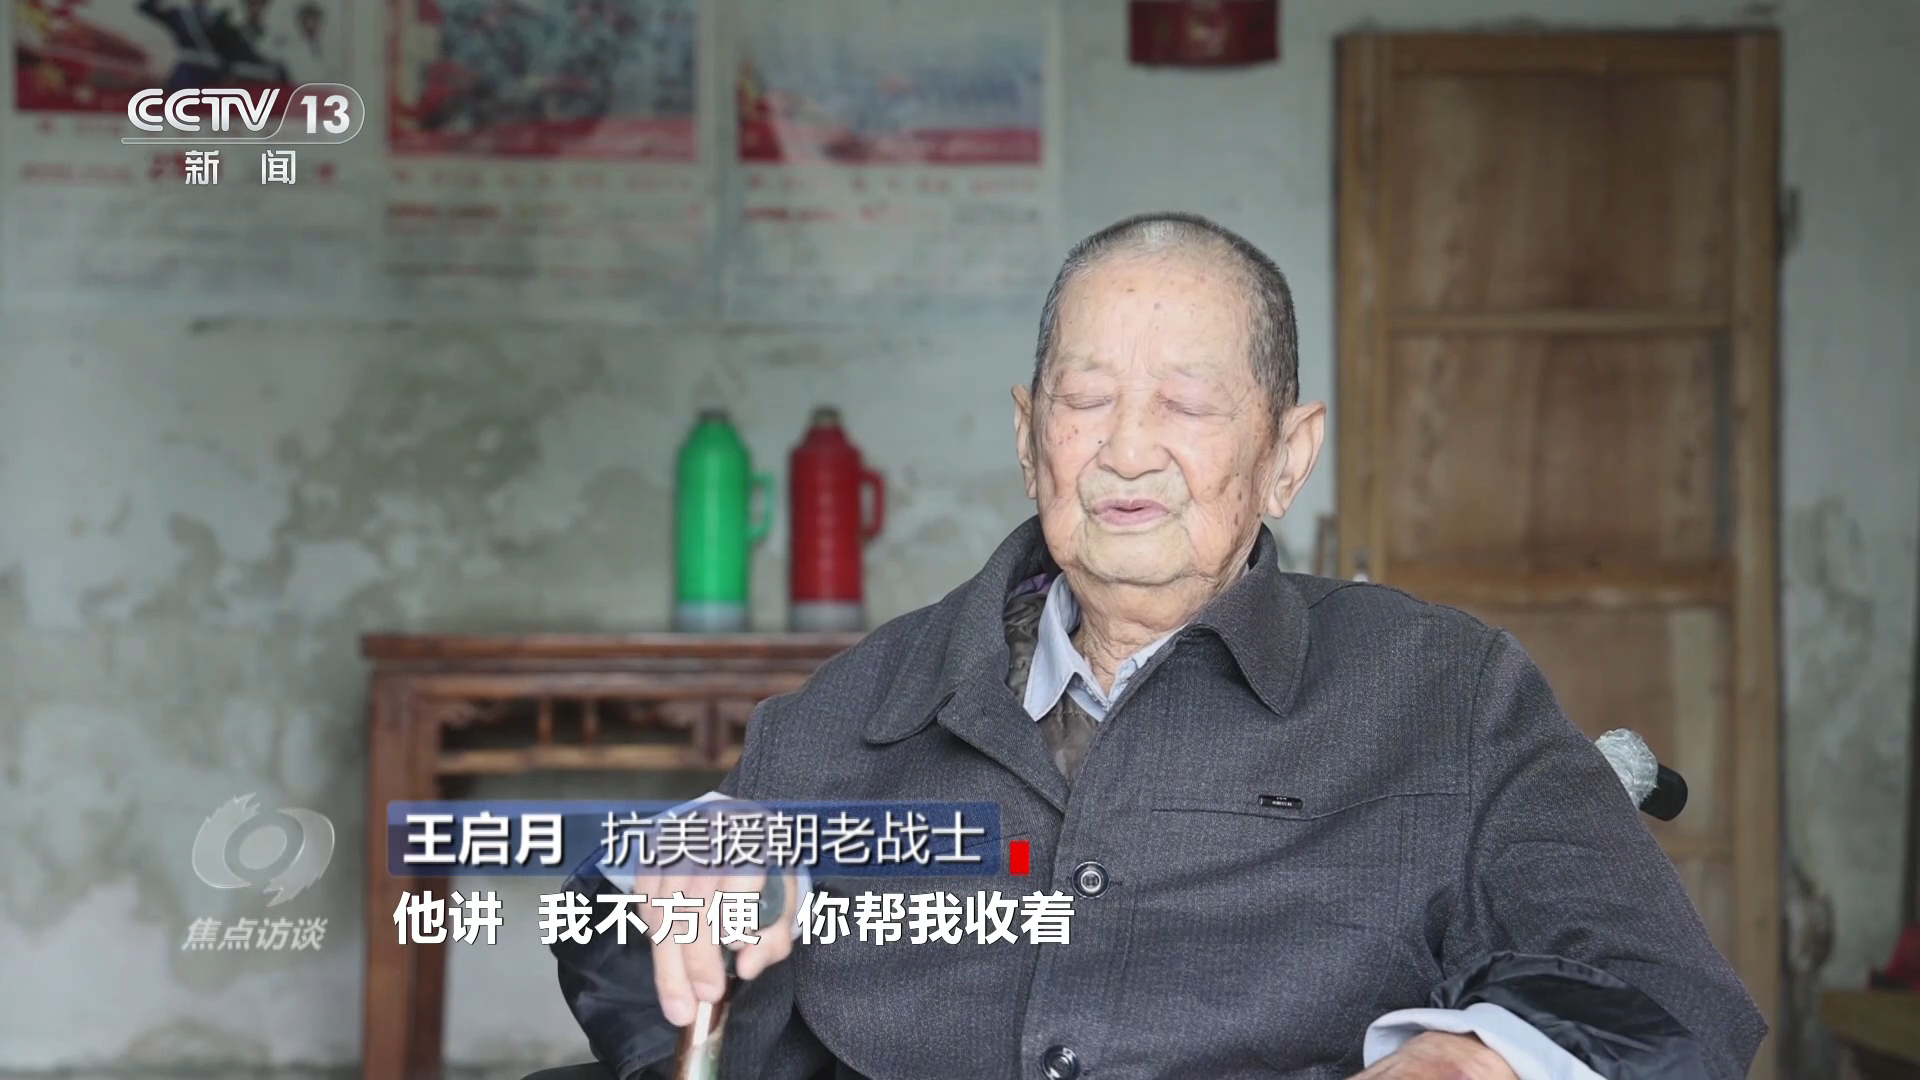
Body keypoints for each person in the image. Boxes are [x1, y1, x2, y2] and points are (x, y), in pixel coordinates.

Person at [544, 213, 1767, 1080]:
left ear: (1288, 455)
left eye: (1186, 405)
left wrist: (1475, 1059)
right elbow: (650, 980)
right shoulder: (854, 708)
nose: (1127, 451)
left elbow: (1664, 997)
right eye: (1085, 401)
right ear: (1029, 439)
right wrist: (677, 891)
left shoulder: (1446, 691)